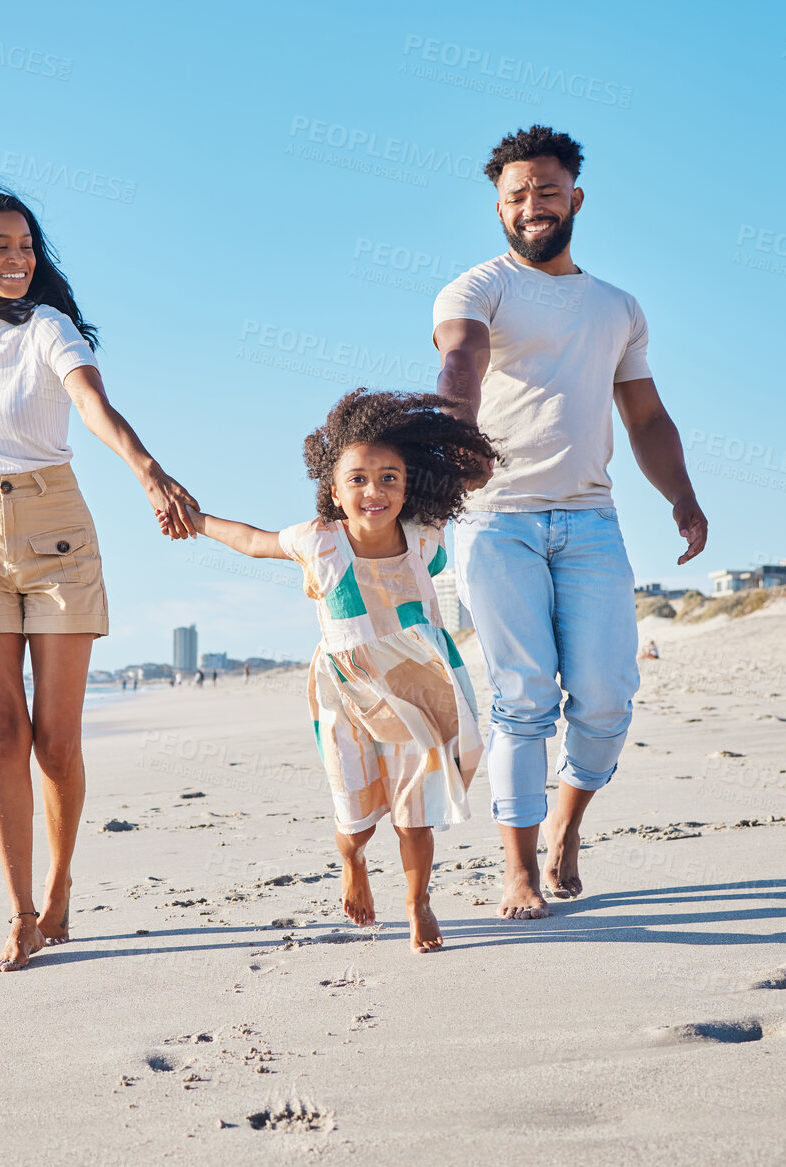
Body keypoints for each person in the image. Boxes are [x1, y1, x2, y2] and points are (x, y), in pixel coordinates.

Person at [433, 126, 707, 919]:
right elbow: (462, 362)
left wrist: (682, 497)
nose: (533, 206)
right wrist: (456, 437)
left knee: (607, 696)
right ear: (498, 208)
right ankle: (516, 868)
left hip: (591, 517)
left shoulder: (617, 307)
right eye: (517, 196)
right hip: (495, 519)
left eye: (547, 191)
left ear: (575, 198)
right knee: (522, 698)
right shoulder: (476, 289)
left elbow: (647, 416)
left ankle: (565, 825)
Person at [0, 184, 197, 972]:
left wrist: (149, 471)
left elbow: (92, 406)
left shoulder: (50, 328)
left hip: (56, 535)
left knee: (55, 740)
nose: (17, 259)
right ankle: (18, 913)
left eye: (25, 246)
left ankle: (60, 884)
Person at [171, 389, 496, 953]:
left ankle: (418, 904)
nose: (375, 491)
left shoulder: (424, 538)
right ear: (333, 489)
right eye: (359, 480)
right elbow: (251, 541)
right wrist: (196, 520)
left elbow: (468, 491)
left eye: (390, 477)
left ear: (409, 482)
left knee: (413, 815)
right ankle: (353, 862)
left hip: (419, 688)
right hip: (348, 695)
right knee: (357, 819)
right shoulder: (318, 541)